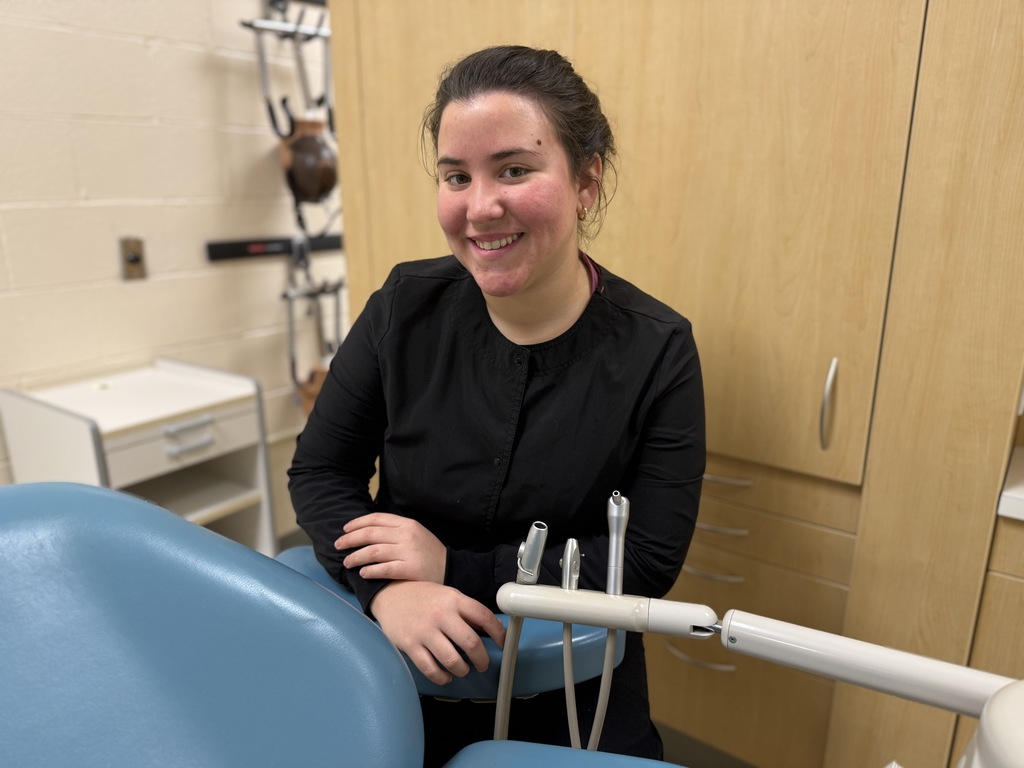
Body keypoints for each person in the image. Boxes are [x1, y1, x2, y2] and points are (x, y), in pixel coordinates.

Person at [288, 44, 705, 765]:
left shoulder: (657, 351)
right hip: (395, 662)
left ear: (586, 179)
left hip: (571, 692)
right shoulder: (401, 309)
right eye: (457, 176)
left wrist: (453, 569)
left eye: (514, 169)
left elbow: (643, 559)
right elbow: (321, 473)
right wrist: (384, 590)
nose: (481, 207)